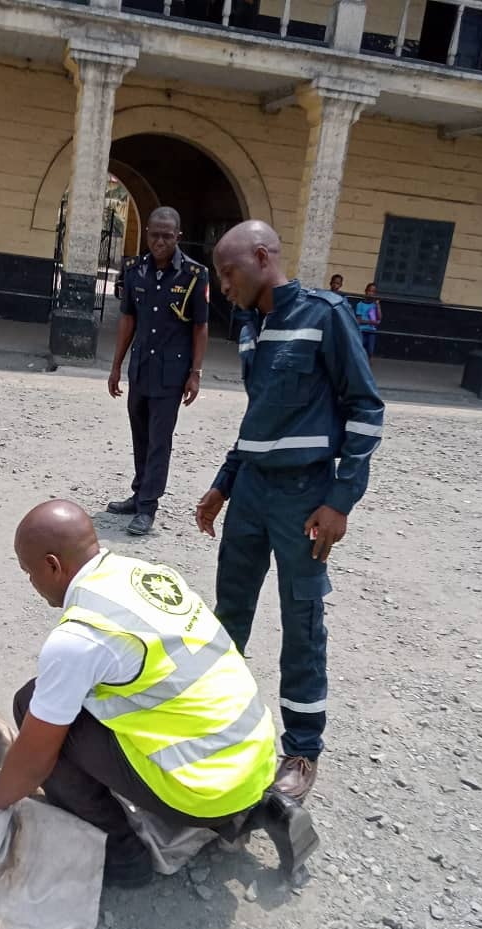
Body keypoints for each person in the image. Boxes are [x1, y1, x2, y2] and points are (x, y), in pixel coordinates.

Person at [0, 499, 319, 888]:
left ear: (53, 566)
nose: (31, 583)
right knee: (99, 700)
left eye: (29, 572)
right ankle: (261, 807)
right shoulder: (144, 574)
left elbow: (33, 763)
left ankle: (121, 854)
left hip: (203, 788)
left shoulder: (79, 637)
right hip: (256, 757)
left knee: (32, 704)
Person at [195, 221, 384, 802]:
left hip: (305, 499)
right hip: (251, 492)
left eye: (229, 273)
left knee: (302, 622)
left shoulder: (326, 316)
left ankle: (302, 749)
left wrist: (340, 500)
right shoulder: (252, 328)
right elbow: (260, 421)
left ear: (261, 257)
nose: (223, 287)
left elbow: (365, 409)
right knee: (230, 611)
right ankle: (217, 719)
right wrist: (223, 484)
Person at [106, 207, 209, 537]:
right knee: (140, 434)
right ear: (146, 233)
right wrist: (116, 365)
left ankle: (148, 506)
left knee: (159, 441)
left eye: (167, 236)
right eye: (154, 234)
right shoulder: (135, 270)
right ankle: (138, 495)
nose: (160, 241)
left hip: (171, 373)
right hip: (140, 369)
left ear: (177, 236)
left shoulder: (194, 275)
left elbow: (200, 327)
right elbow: (128, 320)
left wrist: (195, 372)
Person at [355, 282, 381, 361]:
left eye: (373, 292)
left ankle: (368, 364)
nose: (371, 293)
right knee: (360, 349)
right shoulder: (360, 304)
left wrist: (378, 306)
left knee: (370, 350)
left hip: (372, 331)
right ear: (366, 291)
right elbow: (358, 320)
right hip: (362, 330)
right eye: (369, 291)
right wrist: (371, 322)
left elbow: (379, 318)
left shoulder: (374, 305)